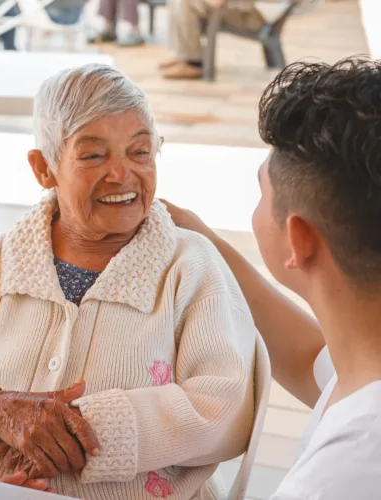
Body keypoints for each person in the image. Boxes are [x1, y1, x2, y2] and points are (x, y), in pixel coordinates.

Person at [0, 64, 257, 499]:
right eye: (93, 155)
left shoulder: (192, 267)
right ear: (43, 168)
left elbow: (226, 409)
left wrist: (78, 431)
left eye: (140, 152)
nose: (122, 174)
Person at [164, 56, 381, 498]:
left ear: (297, 238)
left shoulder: (339, 476)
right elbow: (309, 361)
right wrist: (199, 236)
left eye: (262, 190)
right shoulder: (363, 366)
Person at [162, 0, 282, 79]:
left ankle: (193, 62)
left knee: (185, 2)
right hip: (246, 6)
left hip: (254, 12)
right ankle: (183, 55)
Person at [0, 0, 84, 51]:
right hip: (75, 15)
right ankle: (2, 42)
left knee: (7, 7)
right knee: (8, 7)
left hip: (56, 14)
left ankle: (4, 44)